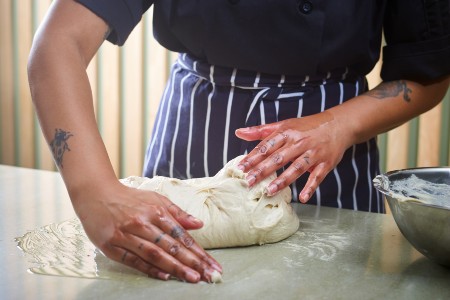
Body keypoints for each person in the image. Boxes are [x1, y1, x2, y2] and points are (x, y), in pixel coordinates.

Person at [28, 0, 450, 283]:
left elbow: (426, 76)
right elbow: (58, 43)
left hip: (333, 159)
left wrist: (336, 127)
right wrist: (94, 191)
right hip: (192, 134)